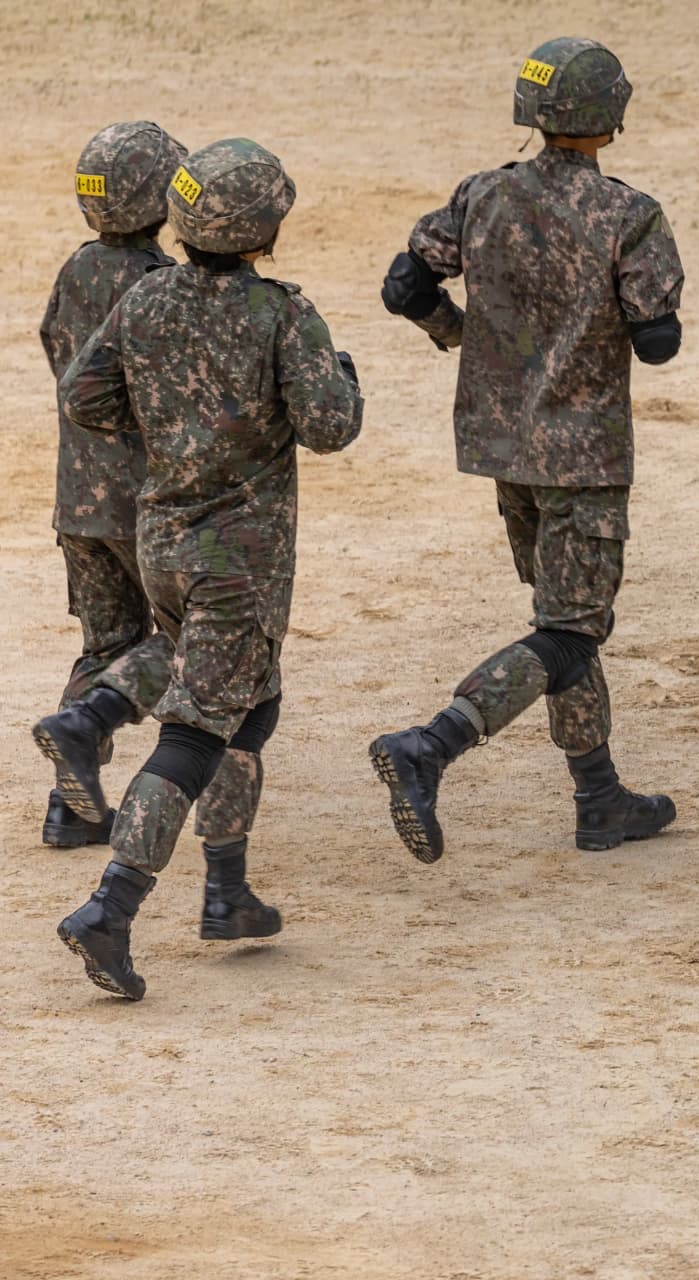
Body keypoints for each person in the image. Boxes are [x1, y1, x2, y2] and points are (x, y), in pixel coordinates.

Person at [53, 138, 364, 999]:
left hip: (161, 539)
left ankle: (228, 891)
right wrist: (340, 375)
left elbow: (83, 395)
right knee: (194, 733)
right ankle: (110, 908)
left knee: (251, 707)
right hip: (240, 560)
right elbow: (331, 426)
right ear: (266, 230)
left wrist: (171, 427)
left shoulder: (146, 296)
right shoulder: (283, 315)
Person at [371, 38, 681, 863]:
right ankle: (432, 744)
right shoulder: (628, 214)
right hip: (583, 453)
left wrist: (459, 333)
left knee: (560, 623)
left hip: (502, 444)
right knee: (571, 632)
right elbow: (659, 341)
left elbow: (405, 285)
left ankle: (599, 797)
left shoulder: (483, 194)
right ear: (609, 116)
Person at [32, 121, 185, 850]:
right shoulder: (162, 285)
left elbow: (57, 351)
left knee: (105, 646)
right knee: (192, 638)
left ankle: (70, 808)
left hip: (78, 497)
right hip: (145, 502)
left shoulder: (77, 269)